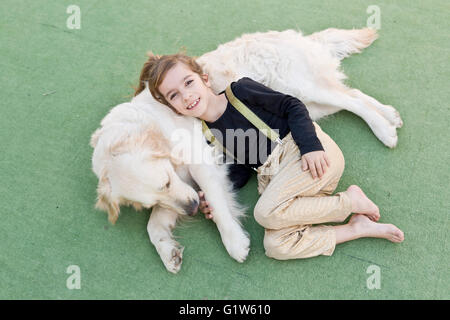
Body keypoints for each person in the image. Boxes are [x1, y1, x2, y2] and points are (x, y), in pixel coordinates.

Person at [134, 52, 404, 260]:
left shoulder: (239, 92)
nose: (187, 96)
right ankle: (356, 228)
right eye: (175, 95)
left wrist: (310, 146)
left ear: (204, 78)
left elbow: (292, 106)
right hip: (283, 181)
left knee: (265, 213)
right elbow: (240, 166)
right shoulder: (208, 134)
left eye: (189, 83)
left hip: (306, 155)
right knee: (275, 245)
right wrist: (213, 196)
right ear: (174, 108)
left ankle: (350, 202)